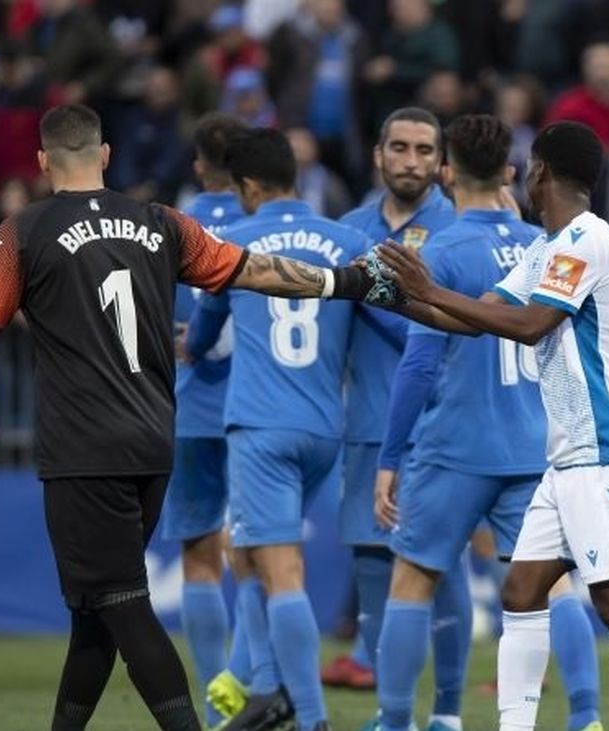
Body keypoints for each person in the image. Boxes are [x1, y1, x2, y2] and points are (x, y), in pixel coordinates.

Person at [0, 105, 394, 731]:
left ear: (40, 162)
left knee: (122, 604)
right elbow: (254, 271)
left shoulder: (22, 232)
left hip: (84, 449)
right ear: (105, 155)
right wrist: (346, 281)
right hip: (151, 441)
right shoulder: (162, 223)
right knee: (96, 610)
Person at [379, 121, 609, 731]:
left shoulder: (586, 241)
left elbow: (532, 324)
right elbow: (483, 316)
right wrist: (388, 295)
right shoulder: (547, 246)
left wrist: (429, 285)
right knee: (521, 592)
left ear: (540, 171)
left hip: (605, 447)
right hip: (566, 456)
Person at [187, 126, 375, 731]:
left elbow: (204, 332)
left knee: (278, 570)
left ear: (246, 185)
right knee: (248, 556)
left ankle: (307, 716)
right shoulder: (348, 240)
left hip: (261, 426)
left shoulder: (234, 242)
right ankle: (264, 688)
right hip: (325, 425)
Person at [329, 106, 458, 695]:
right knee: (370, 557)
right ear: (379, 154)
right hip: (366, 425)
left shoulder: (458, 229)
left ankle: (452, 703)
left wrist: (370, 290)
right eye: (400, 148)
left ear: (441, 162)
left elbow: (451, 333)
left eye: (424, 150)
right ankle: (388, 696)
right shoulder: (348, 227)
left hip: (439, 429)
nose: (411, 161)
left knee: (443, 563)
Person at [160, 112, 248, 729]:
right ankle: (250, 684)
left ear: (198, 165)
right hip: (256, 406)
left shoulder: (168, 226)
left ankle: (216, 700)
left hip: (192, 406)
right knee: (260, 554)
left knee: (198, 553)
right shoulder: (261, 223)